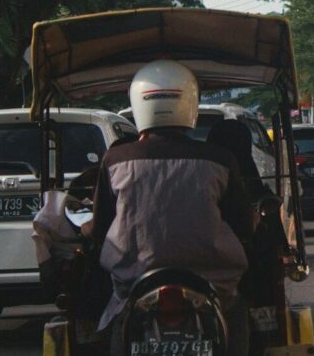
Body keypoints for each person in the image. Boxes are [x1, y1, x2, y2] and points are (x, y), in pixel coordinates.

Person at [90, 60, 254, 356]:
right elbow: (243, 225)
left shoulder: (116, 160)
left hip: (133, 285)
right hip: (215, 285)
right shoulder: (220, 159)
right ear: (189, 103)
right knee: (238, 312)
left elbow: (101, 228)